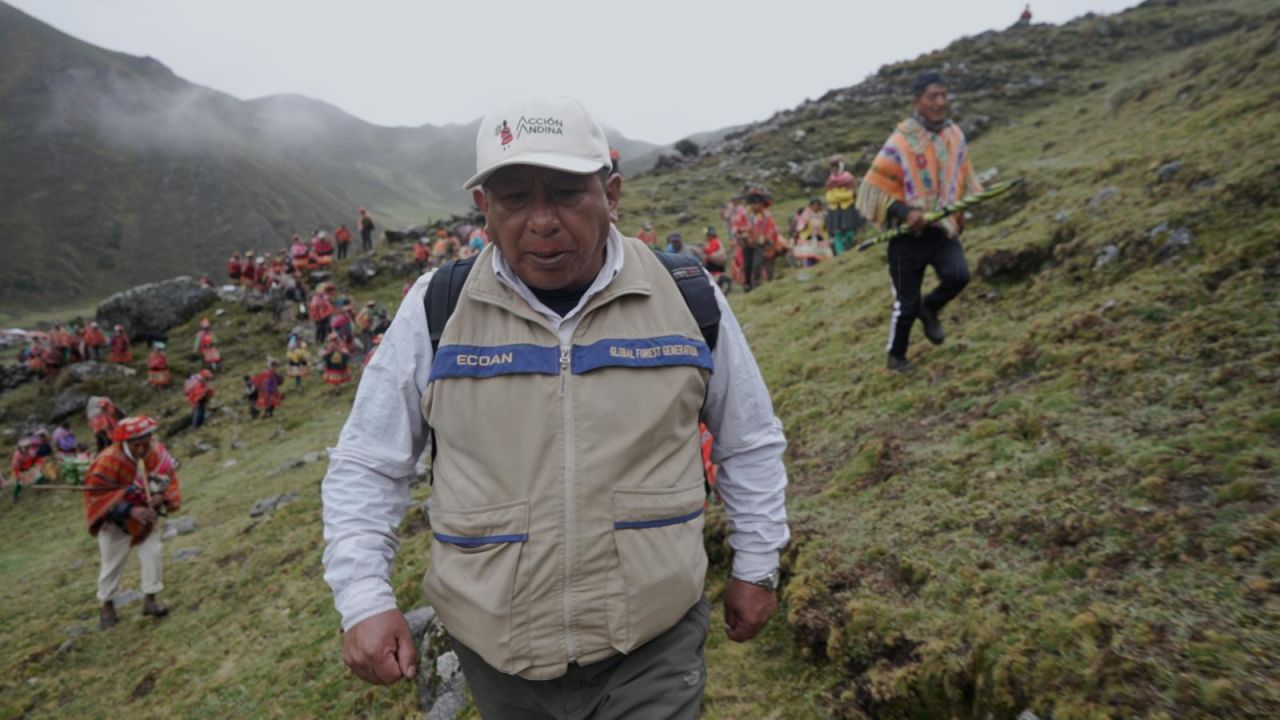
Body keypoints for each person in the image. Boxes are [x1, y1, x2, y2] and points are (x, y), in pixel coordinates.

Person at [321, 96, 789, 719]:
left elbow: (748, 439)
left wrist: (758, 565)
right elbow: (368, 463)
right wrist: (364, 597)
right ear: (485, 211)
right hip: (497, 654)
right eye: (515, 198)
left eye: (567, 193)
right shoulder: (437, 309)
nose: (542, 221)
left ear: (611, 194)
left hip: (653, 645)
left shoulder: (687, 298)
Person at [856, 71, 981, 372]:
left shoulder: (954, 136)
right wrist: (905, 212)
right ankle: (896, 357)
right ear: (917, 102)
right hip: (905, 238)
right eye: (932, 96)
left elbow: (961, 175)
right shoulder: (901, 141)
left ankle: (932, 307)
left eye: (943, 94)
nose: (940, 102)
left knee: (959, 275)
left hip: (941, 230)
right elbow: (874, 188)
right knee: (906, 305)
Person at [82, 416, 181, 629]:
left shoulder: (155, 453)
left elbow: (168, 478)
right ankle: (107, 605)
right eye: (137, 445)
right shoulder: (108, 459)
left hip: (147, 515)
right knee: (112, 562)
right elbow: (96, 496)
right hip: (115, 520)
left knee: (152, 553)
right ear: (125, 443)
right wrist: (129, 509)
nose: (142, 449)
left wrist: (160, 497)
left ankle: (151, 600)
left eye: (146, 443)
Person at [733, 187, 779, 291]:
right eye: (752, 203)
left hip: (760, 245)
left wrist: (767, 239)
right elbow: (736, 226)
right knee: (747, 265)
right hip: (746, 245)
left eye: (757, 203)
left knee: (757, 264)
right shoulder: (744, 215)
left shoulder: (766, 216)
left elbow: (772, 229)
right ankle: (747, 284)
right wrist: (740, 233)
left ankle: (757, 284)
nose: (754, 206)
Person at [825, 156, 862, 255]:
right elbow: (829, 197)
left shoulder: (849, 178)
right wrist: (842, 195)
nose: (833, 169)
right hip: (834, 211)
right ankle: (841, 254)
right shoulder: (830, 181)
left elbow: (852, 194)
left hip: (848, 209)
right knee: (837, 233)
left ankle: (849, 250)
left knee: (849, 232)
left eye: (835, 167)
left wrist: (837, 195)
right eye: (832, 167)